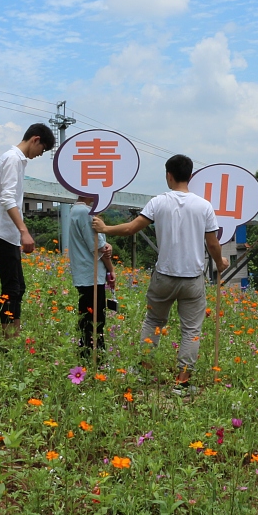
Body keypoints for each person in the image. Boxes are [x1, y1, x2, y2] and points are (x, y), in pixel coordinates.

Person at [92, 154, 228, 389]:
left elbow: (131, 228)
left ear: (169, 175)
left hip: (164, 275)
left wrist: (105, 228)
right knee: (191, 330)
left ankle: (144, 371)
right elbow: (213, 244)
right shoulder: (204, 206)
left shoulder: (158, 202)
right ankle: (182, 382)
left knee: (154, 321)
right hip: (193, 279)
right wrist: (220, 262)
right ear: (190, 176)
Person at [0, 124, 55, 339]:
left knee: (18, 287)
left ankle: (14, 337)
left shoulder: (14, 159)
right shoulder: (13, 159)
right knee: (12, 288)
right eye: (42, 149)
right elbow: (7, 198)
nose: (39, 154)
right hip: (2, 232)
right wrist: (24, 231)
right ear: (35, 139)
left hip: (7, 234)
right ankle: (9, 341)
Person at [67, 195, 115, 360]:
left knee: (87, 317)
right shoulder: (85, 212)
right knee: (95, 320)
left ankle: (86, 354)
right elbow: (98, 246)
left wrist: (106, 246)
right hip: (91, 274)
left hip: (84, 273)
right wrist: (111, 270)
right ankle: (93, 357)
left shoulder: (75, 210)